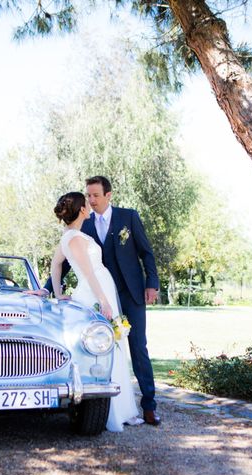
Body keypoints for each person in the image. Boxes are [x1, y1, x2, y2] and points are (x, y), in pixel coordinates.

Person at [37, 176, 161, 426]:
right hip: (100, 295)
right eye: (88, 196)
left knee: (138, 347)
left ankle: (149, 405)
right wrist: (48, 289)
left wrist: (152, 284)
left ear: (108, 195)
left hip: (131, 293)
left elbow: (146, 252)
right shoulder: (83, 223)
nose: (91, 200)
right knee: (101, 347)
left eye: (95, 195)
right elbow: (73, 260)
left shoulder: (129, 217)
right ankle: (103, 405)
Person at [50, 191, 143, 432]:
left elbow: (56, 265)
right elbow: (89, 272)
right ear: (81, 210)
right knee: (107, 348)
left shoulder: (70, 236)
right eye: (86, 202)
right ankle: (115, 411)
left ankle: (123, 409)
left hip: (99, 290)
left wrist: (59, 291)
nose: (90, 205)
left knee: (112, 345)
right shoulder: (76, 239)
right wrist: (103, 300)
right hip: (94, 293)